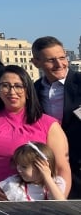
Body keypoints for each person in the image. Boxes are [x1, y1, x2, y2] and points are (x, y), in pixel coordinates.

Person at [0, 65, 71, 200]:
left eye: (18, 86)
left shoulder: (49, 124)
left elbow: (62, 167)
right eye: (5, 86)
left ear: (28, 91)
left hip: (36, 203)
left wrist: (57, 202)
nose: (12, 91)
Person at [31, 36, 81, 199]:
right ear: (36, 63)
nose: (59, 64)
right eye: (51, 60)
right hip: (52, 171)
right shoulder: (32, 91)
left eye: (62, 58)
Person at [0, 142, 65, 201]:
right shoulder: (13, 185)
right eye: (17, 165)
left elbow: (61, 203)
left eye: (24, 167)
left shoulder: (56, 183)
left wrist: (47, 177)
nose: (18, 169)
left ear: (41, 167)